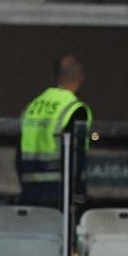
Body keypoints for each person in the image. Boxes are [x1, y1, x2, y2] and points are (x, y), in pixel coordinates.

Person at [17, 54, 92, 208]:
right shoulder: (74, 108)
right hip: (58, 191)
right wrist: (77, 192)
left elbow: (19, 152)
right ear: (80, 77)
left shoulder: (32, 107)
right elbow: (76, 156)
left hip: (29, 187)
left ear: (54, 76)